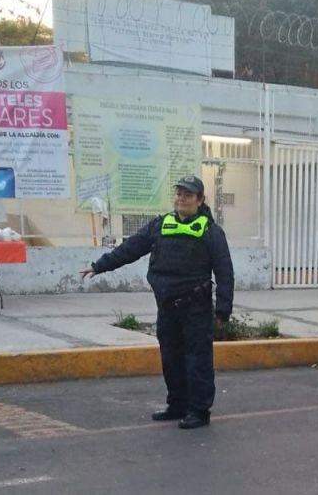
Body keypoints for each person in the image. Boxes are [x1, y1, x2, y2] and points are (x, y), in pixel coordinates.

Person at [81, 175, 234, 430]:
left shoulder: (210, 231)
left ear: (199, 200)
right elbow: (131, 248)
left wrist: (223, 308)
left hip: (195, 306)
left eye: (187, 194)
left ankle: (198, 411)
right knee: (171, 359)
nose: (181, 198)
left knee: (197, 361)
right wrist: (100, 266)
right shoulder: (161, 224)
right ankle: (177, 405)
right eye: (179, 193)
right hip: (166, 305)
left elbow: (224, 270)